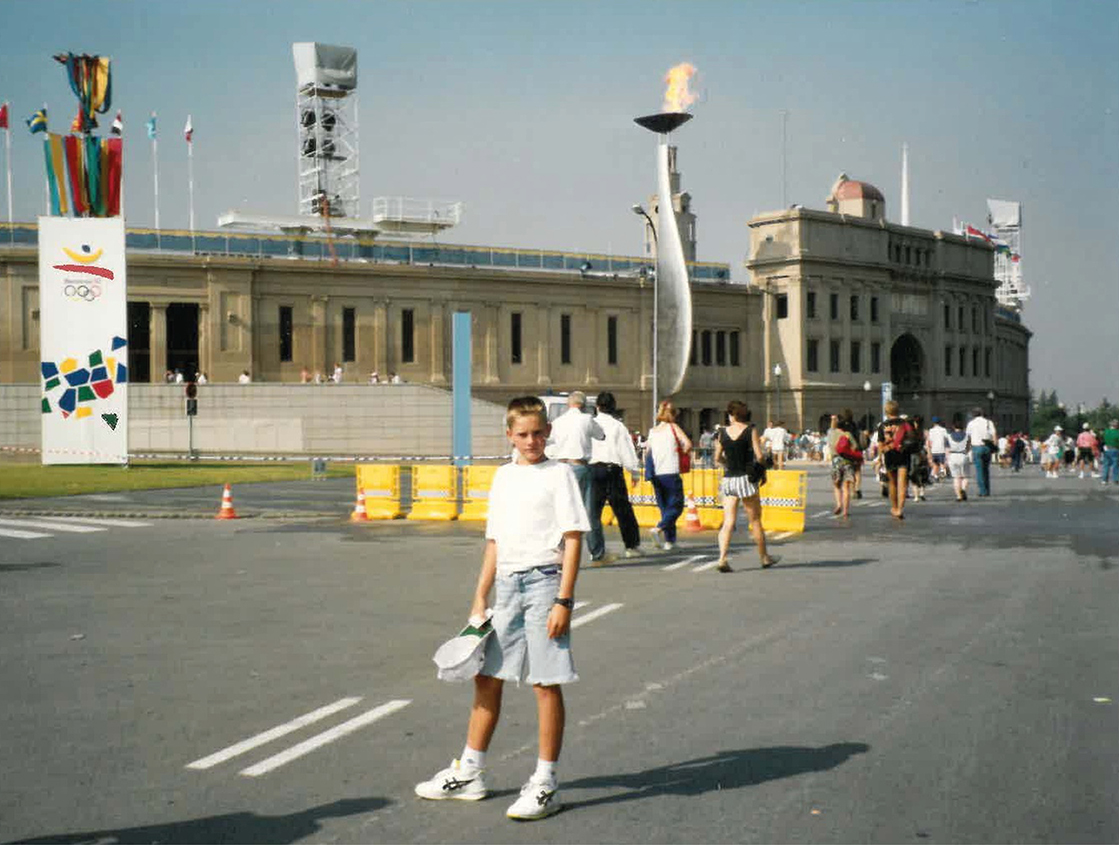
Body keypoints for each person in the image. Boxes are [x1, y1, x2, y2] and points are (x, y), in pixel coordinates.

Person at [414, 396, 589, 821]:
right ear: (509, 435)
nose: (531, 441)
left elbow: (572, 539)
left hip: (545, 583)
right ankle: (471, 771)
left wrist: (564, 601)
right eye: (523, 434)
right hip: (507, 586)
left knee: (545, 682)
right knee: (486, 677)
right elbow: (495, 540)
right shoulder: (504, 478)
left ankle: (546, 782)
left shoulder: (559, 474)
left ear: (549, 432)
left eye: (538, 433)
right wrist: (480, 595)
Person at [714, 400, 779, 571]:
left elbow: (717, 458)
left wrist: (727, 463)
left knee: (728, 521)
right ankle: (764, 557)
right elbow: (759, 456)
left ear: (731, 415)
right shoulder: (750, 430)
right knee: (755, 520)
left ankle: (722, 559)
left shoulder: (722, 432)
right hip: (746, 479)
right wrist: (763, 468)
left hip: (729, 479)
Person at [586, 391, 642, 564]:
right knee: (623, 509)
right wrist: (633, 471)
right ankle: (631, 546)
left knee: (593, 513)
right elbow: (626, 450)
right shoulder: (618, 426)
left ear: (597, 407)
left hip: (593, 468)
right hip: (613, 470)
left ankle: (596, 550)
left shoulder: (590, 424)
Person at [545, 391, 605, 533]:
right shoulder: (587, 419)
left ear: (568, 404)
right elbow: (601, 435)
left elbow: (551, 441)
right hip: (580, 466)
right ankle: (597, 552)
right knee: (589, 511)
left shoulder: (558, 422)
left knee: (562, 507)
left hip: (560, 466)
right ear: (584, 405)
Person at [645, 399, 692, 551]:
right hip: (671, 470)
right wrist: (682, 453)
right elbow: (688, 443)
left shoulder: (653, 431)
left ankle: (669, 541)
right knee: (676, 506)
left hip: (656, 474)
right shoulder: (673, 427)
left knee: (665, 507)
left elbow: (647, 452)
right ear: (672, 414)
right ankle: (658, 529)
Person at [877, 400, 912, 519]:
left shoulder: (882, 425)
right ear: (898, 410)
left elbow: (880, 445)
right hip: (903, 454)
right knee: (902, 484)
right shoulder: (905, 423)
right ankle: (900, 509)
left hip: (889, 455)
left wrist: (879, 459)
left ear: (886, 411)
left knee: (892, 483)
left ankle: (894, 507)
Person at [830, 410, 863, 519]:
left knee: (836, 485)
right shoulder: (847, 434)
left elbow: (831, 448)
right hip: (847, 462)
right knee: (846, 487)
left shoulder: (831, 433)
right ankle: (845, 511)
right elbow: (855, 447)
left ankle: (839, 504)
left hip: (835, 462)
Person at [965, 407, 996, 497]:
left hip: (976, 447)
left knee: (979, 470)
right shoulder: (988, 422)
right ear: (982, 413)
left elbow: (968, 437)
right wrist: (994, 446)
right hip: (987, 447)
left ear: (973, 414)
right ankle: (987, 489)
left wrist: (967, 449)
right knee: (986, 469)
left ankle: (982, 491)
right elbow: (994, 434)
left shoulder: (971, 423)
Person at [946, 414, 971, 501]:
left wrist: (946, 459)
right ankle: (963, 489)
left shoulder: (949, 436)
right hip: (963, 455)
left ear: (953, 427)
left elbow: (947, 449)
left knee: (956, 478)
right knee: (965, 476)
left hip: (953, 456)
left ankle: (958, 496)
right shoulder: (967, 436)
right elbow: (968, 447)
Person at [907, 415, 930, 502]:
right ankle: (922, 493)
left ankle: (916, 496)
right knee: (922, 473)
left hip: (913, 455)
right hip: (922, 454)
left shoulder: (910, 432)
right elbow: (927, 445)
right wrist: (929, 456)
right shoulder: (924, 432)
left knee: (914, 475)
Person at [926, 416, 949, 481]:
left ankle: (935, 476)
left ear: (933, 423)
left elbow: (929, 440)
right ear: (940, 422)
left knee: (935, 464)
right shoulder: (943, 430)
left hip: (934, 450)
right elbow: (947, 437)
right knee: (942, 463)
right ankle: (941, 473)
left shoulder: (931, 430)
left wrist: (929, 451)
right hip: (941, 449)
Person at [1101, 419, 1119, 485]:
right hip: (1115, 449)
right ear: (1116, 425)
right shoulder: (1117, 432)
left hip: (1107, 449)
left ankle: (1104, 480)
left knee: (1106, 465)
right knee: (1115, 465)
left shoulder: (1106, 431)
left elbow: (1102, 438)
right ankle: (1115, 479)